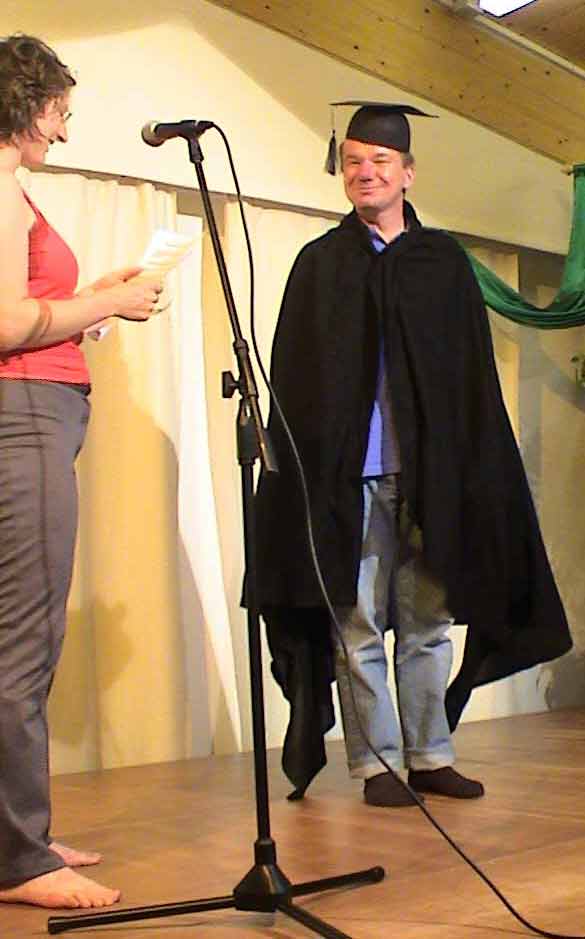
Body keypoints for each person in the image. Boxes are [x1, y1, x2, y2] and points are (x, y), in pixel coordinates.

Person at [254, 102, 572, 807]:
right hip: (347, 480)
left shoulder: (442, 264)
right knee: (358, 622)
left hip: (429, 477)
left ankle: (429, 754)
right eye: (353, 162)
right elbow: (297, 383)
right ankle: (378, 766)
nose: (364, 172)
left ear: (407, 173)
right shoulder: (321, 265)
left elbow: (467, 381)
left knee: (427, 622)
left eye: (379, 161)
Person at [0, 34, 164, 908]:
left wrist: (90, 300)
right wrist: (108, 300)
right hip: (23, 414)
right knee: (23, 643)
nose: (63, 131)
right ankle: (18, 859)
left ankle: (16, 833)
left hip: (33, 410)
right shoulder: (0, 184)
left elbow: (28, 308)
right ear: (29, 105)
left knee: (19, 639)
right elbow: (3, 322)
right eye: (59, 112)